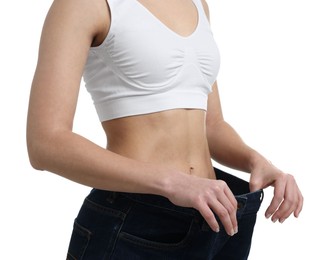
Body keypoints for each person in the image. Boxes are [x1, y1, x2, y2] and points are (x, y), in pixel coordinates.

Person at [26, 0, 303, 259]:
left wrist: (257, 162)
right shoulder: (84, 4)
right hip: (135, 221)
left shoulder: (197, 4)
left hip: (219, 217)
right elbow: (45, 143)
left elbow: (211, 125)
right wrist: (172, 182)